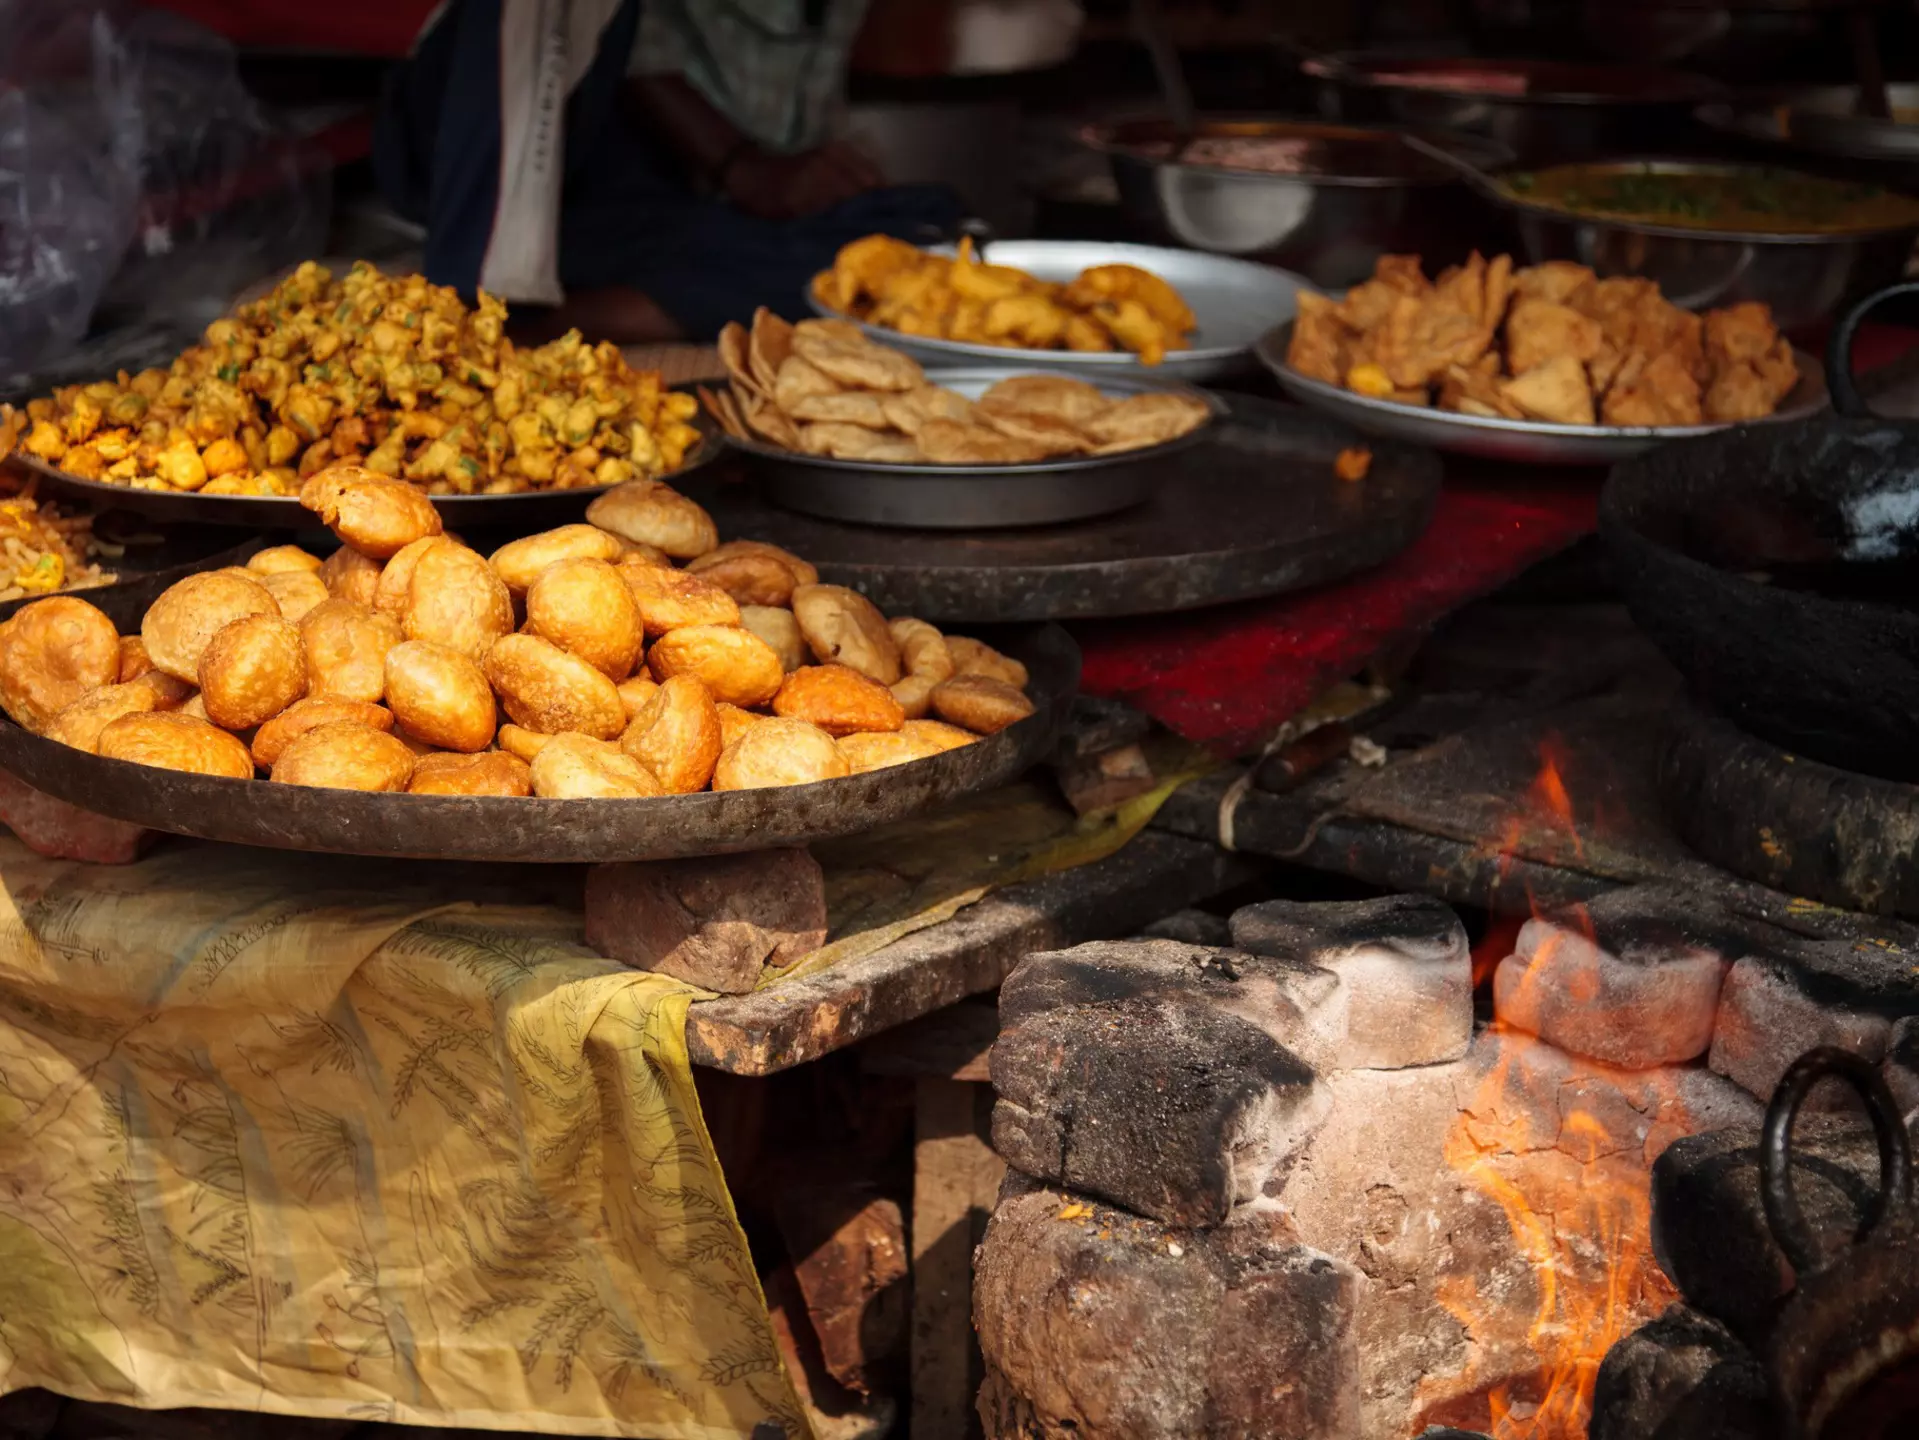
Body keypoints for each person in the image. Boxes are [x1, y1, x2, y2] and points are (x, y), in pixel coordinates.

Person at [372, 0, 963, 343]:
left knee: (922, 241)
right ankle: (490, 308)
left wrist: (810, 182)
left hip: (679, 206)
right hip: (557, 154)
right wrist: (743, 167)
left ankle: (582, 312)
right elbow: (636, 51)